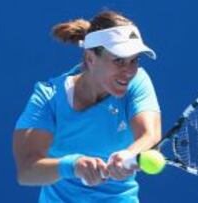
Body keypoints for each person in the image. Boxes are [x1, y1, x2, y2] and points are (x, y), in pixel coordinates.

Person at [13, 10, 161, 203]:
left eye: (134, 60)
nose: (129, 71)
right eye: (119, 60)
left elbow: (150, 135)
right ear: (90, 58)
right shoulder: (48, 98)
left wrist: (128, 154)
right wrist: (73, 166)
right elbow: (27, 171)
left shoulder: (138, 81)